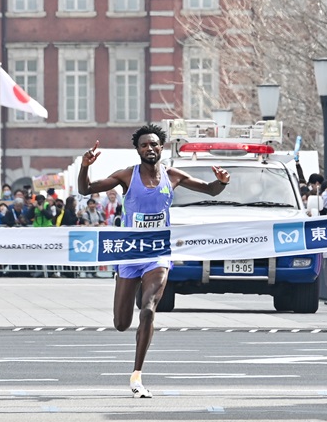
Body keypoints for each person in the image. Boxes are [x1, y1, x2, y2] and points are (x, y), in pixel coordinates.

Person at [77, 123, 229, 398]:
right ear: (137, 150)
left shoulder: (173, 176)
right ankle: (132, 298)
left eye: (154, 144)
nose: (149, 148)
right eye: (144, 145)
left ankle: (136, 375)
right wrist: (85, 166)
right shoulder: (127, 175)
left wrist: (222, 181)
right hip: (129, 253)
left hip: (158, 253)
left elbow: (211, 190)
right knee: (121, 323)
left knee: (148, 308)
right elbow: (85, 189)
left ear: (162, 148)